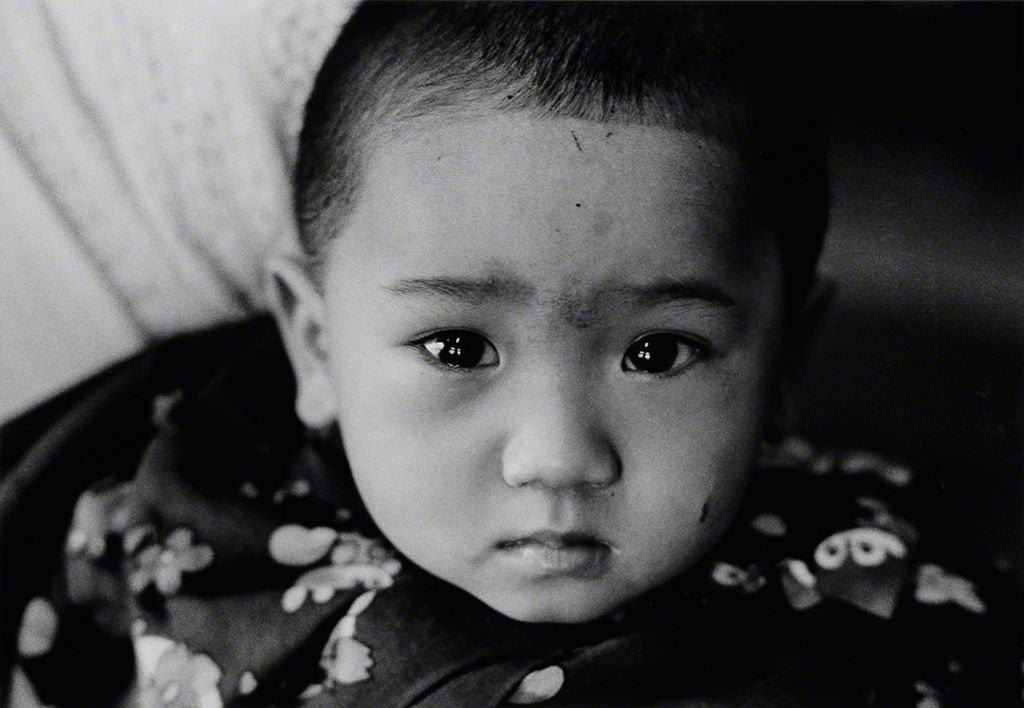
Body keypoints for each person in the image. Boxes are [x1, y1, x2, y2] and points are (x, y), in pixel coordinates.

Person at [1, 3, 1019, 705]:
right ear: (315, 344)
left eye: (658, 352)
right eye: (456, 346)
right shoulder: (179, 527)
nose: (556, 456)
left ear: (786, 358)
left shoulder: (893, 612)